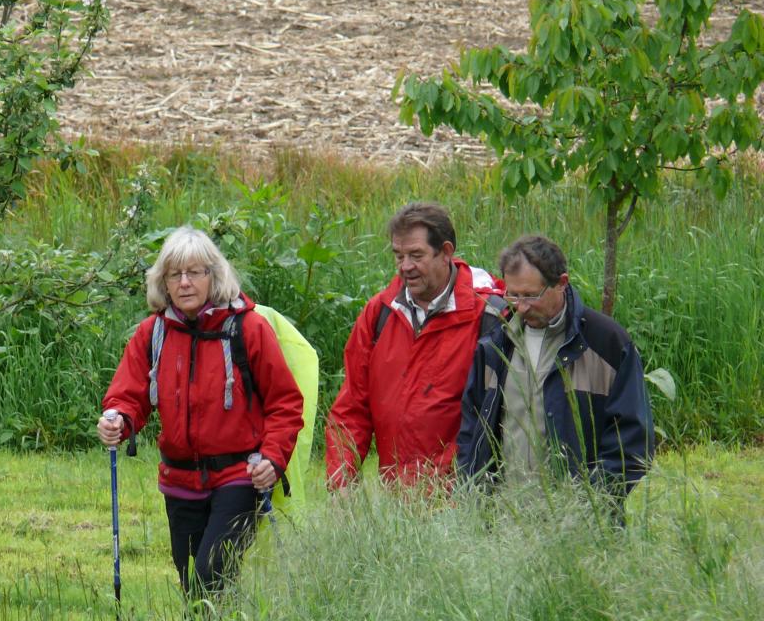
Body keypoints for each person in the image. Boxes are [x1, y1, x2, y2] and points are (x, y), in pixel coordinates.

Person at [97, 226, 304, 597]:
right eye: (174, 275)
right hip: (179, 480)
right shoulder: (153, 333)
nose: (185, 283)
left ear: (214, 275)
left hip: (238, 476)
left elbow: (284, 403)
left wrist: (273, 458)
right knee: (192, 585)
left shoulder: (248, 329)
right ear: (163, 282)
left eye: (195, 272)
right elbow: (129, 393)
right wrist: (119, 418)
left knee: (211, 574)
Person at [456, 234, 654, 508]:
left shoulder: (606, 344)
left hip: (580, 530)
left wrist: (589, 506)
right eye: (512, 295)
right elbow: (471, 432)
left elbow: (633, 441)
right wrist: (475, 496)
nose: (520, 307)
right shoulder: (494, 346)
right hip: (505, 529)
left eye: (531, 295)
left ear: (561, 283)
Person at [324, 202, 503, 489]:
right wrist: (341, 480)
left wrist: (439, 486)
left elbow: (498, 417)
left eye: (416, 255)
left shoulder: (489, 314)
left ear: (446, 252)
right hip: (399, 501)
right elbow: (351, 407)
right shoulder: (380, 312)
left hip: (466, 498)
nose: (405, 267)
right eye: (399, 256)